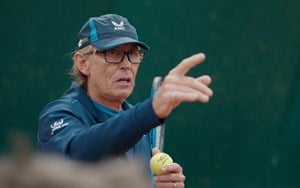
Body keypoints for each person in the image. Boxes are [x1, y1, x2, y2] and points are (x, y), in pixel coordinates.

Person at [37, 14, 213, 188]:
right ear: (83, 63)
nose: (127, 64)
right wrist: (149, 112)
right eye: (113, 53)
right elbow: (78, 158)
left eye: (133, 54)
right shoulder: (58, 114)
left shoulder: (140, 127)